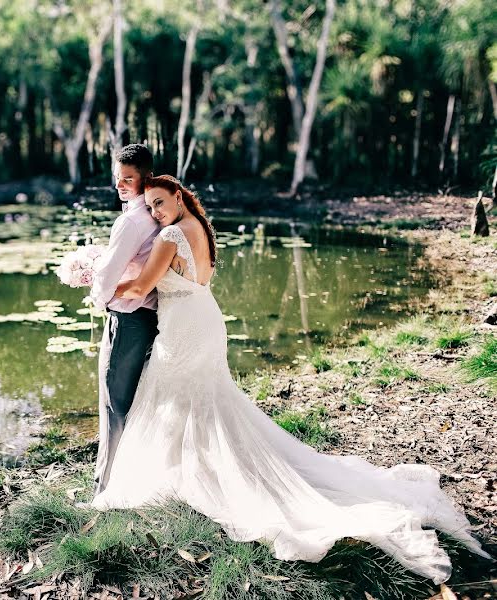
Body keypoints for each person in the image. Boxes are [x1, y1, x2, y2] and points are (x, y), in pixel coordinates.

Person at [89, 174, 491, 584]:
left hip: (184, 331)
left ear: (178, 196)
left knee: (175, 397)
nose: (155, 213)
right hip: (203, 321)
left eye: (159, 202)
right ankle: (196, 464)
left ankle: (194, 471)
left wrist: (95, 281)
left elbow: (140, 286)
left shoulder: (171, 235)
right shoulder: (200, 228)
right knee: (205, 401)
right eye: (150, 207)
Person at [88, 143, 161, 495]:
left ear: (146, 178)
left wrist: (98, 298)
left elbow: (107, 277)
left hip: (128, 317)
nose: (120, 185)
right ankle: (127, 477)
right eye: (118, 178)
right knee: (134, 400)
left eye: (127, 179)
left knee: (113, 402)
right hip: (150, 316)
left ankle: (106, 487)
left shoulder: (132, 220)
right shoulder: (157, 214)